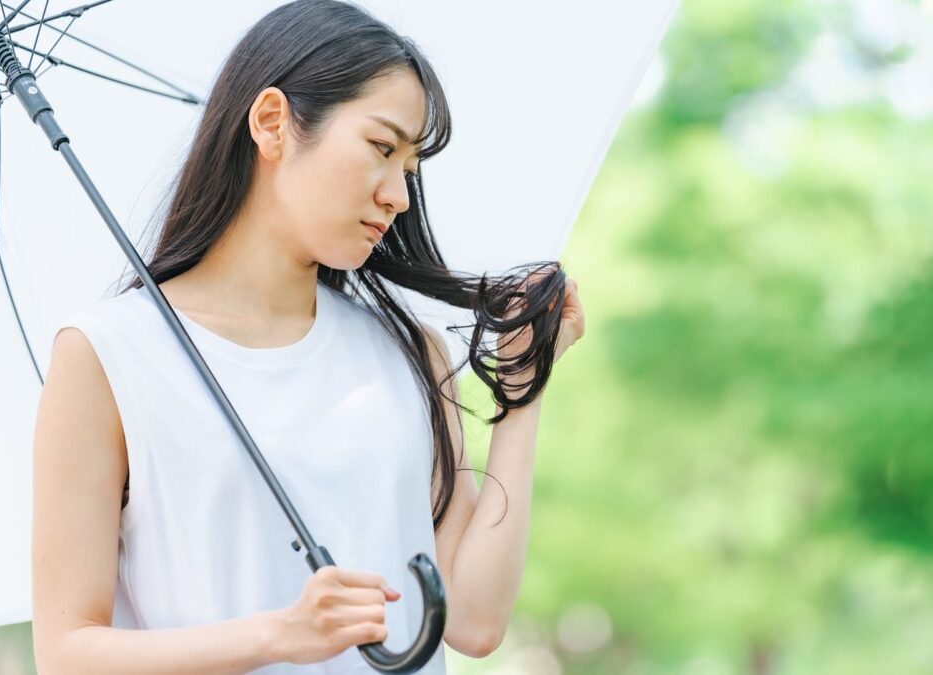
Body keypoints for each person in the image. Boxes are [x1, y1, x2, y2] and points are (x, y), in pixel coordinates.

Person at [30, 1, 584, 672]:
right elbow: (65, 652)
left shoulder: (408, 351)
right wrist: (277, 633)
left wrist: (522, 393)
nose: (400, 196)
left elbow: (472, 618)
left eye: (409, 167)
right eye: (382, 147)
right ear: (271, 123)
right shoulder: (109, 354)